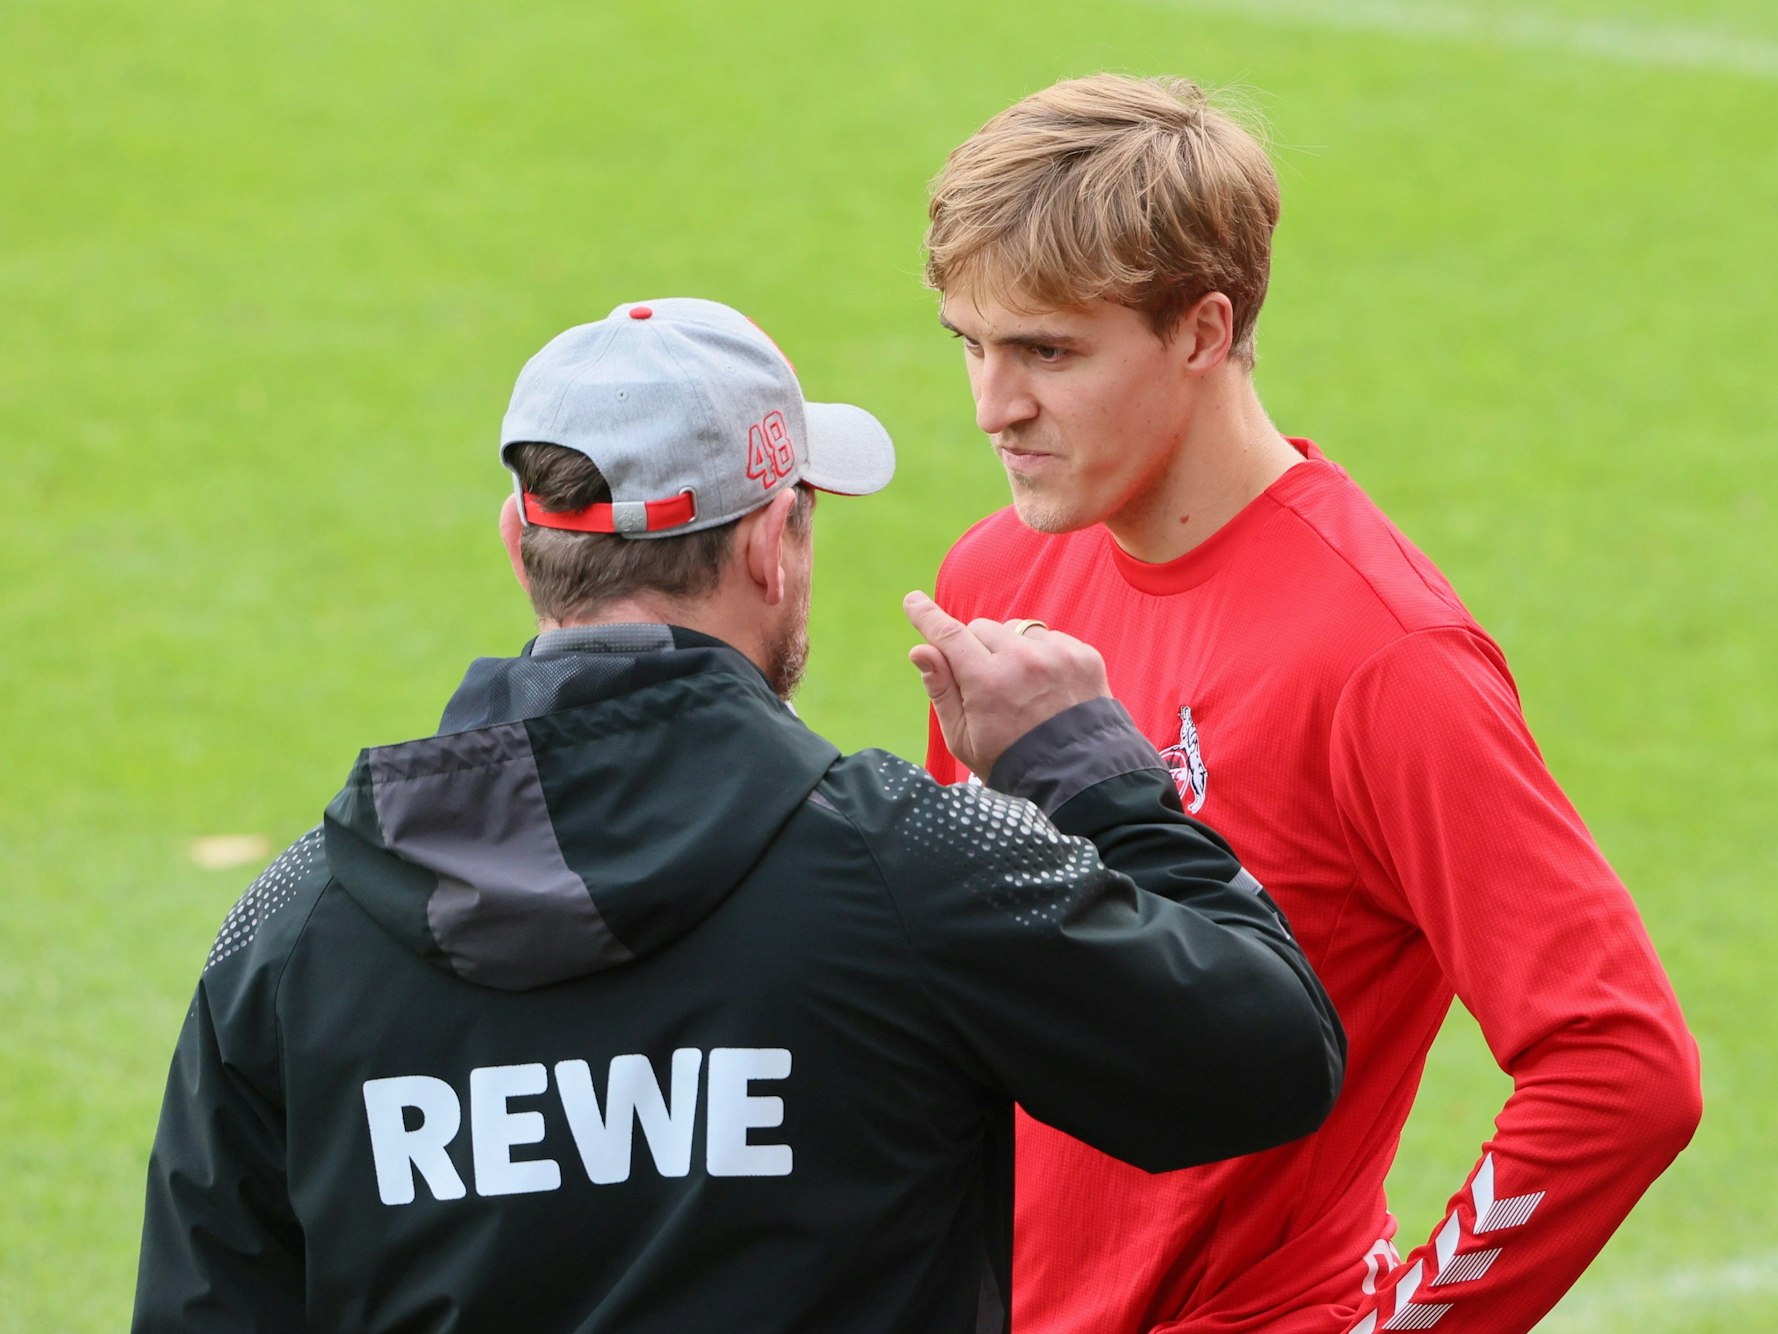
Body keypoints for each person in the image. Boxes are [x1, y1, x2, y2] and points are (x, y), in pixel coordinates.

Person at [132, 296, 1344, 1333]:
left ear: (521, 543)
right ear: (774, 542)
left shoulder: (292, 930)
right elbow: (1270, 1055)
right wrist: (1091, 772)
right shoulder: (915, 863)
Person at [921, 74, 1702, 1334]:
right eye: (971, 342)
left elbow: (1620, 1070)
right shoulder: (998, 580)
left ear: (1200, 328)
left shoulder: (1383, 657)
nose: (992, 406)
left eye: (1047, 352)